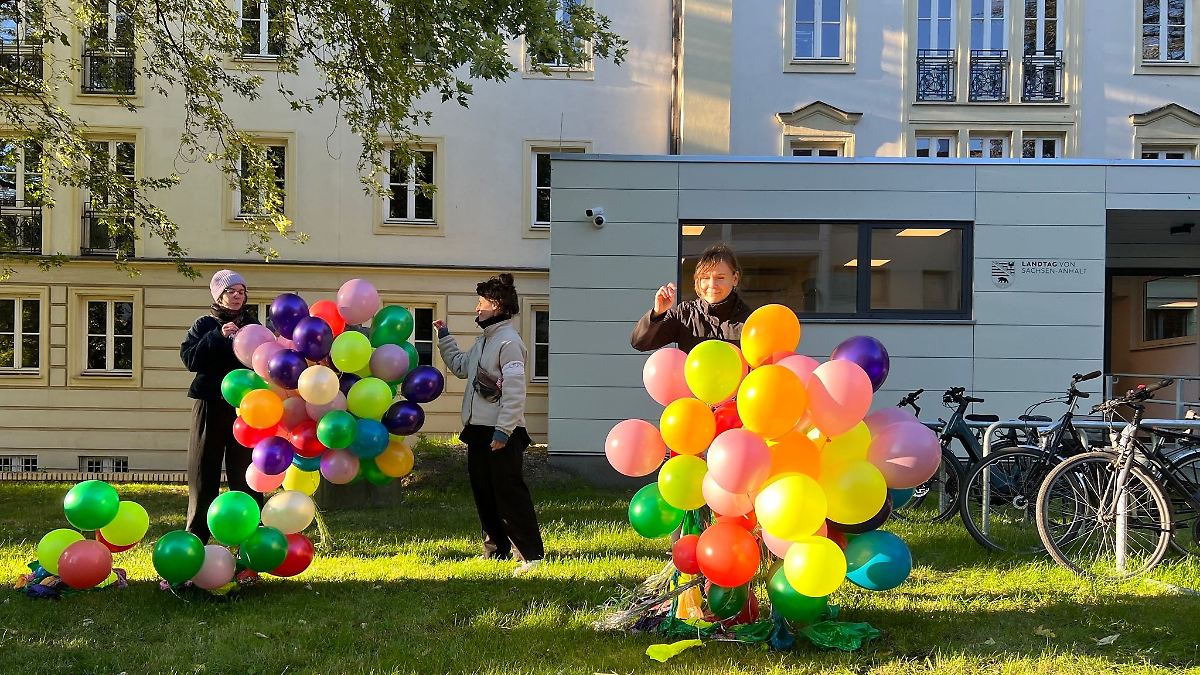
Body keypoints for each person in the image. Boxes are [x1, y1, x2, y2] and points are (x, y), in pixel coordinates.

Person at [434, 273, 545, 577]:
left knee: (509, 492)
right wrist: (444, 337)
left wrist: (504, 431)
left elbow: (514, 390)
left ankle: (531, 555)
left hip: (501, 432)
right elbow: (459, 366)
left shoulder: (509, 343)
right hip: (478, 430)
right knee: (484, 492)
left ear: (496, 306)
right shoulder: (485, 341)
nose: (476, 309)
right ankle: (496, 550)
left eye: (480, 303)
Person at [179, 270, 264, 546]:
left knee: (247, 474)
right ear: (219, 295)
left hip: (246, 409)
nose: (237, 296)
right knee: (204, 472)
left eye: (241, 291)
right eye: (231, 291)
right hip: (211, 405)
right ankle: (196, 539)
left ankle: (250, 540)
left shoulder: (253, 325)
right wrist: (217, 336)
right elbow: (190, 359)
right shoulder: (205, 324)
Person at [630, 243, 752, 353]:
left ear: (735, 278)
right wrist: (657, 313)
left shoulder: (749, 321)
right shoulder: (685, 314)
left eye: (720, 278)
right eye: (705, 278)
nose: (712, 285)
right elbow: (640, 343)